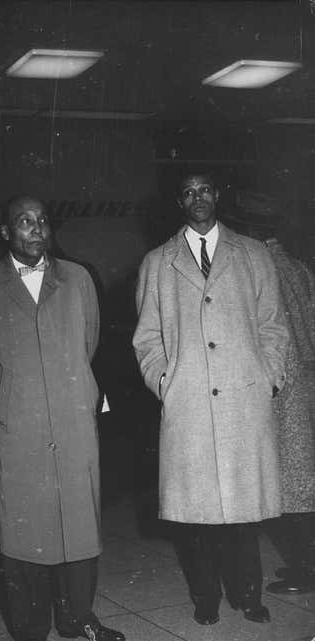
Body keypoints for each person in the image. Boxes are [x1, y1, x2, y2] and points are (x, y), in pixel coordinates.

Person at [0, 195, 125, 641]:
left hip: (72, 423)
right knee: (25, 533)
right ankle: (30, 630)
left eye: (42, 221)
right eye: (24, 222)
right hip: (20, 427)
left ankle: (79, 618)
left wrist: (66, 394)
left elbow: (87, 342)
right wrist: (17, 396)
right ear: (6, 231)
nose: (36, 229)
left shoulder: (78, 280)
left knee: (80, 527)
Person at [132, 173, 289, 626]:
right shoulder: (157, 262)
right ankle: (205, 598)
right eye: (188, 192)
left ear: (217, 195)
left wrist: (269, 378)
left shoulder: (253, 255)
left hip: (244, 401)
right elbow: (147, 339)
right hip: (189, 405)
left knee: (243, 512)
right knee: (196, 517)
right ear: (178, 201)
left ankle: (249, 595)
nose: (197, 198)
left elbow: (274, 326)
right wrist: (166, 382)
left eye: (205, 190)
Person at [227, 191, 315, 595]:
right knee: (301, 486)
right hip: (305, 390)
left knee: (289, 492)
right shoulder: (298, 268)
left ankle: (306, 571)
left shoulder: (256, 270)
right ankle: (303, 566)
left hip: (278, 393)